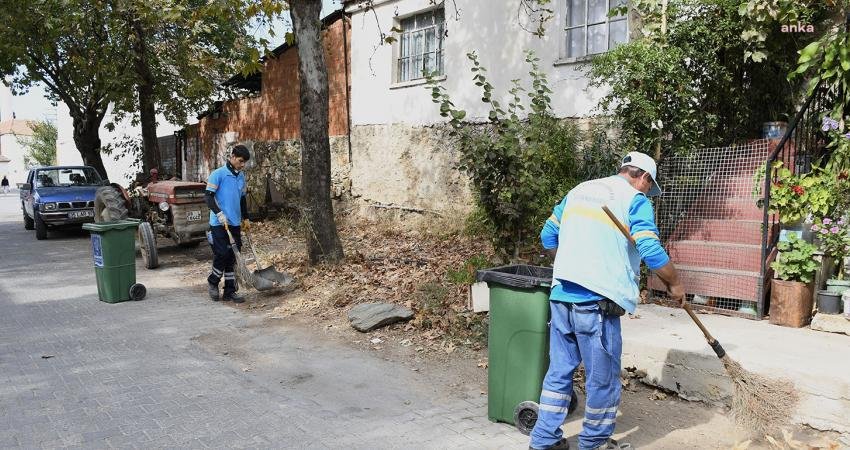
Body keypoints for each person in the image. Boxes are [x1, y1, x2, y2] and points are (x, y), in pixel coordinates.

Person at [529, 151, 685, 450]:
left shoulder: (580, 190)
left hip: (561, 297)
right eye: (647, 187)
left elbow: (548, 234)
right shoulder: (634, 200)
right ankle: (594, 443)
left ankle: (543, 440)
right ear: (644, 177)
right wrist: (676, 284)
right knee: (602, 380)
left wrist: (569, 264)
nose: (646, 193)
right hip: (595, 304)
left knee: (559, 372)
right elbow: (651, 251)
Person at [205, 145, 252, 303]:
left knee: (233, 257)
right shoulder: (218, 174)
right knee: (222, 254)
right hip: (219, 223)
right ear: (232, 157)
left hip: (234, 223)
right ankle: (213, 282)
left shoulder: (241, 177)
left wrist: (245, 218)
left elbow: (243, 199)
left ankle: (229, 291)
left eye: (244, 162)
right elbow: (208, 197)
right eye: (240, 161)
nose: (242, 164)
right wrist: (219, 213)